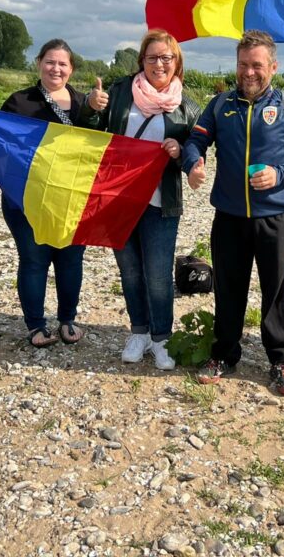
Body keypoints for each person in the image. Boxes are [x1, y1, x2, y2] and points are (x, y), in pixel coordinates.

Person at [182, 30, 284, 396]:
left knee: (276, 291)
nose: (248, 72)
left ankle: (281, 360)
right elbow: (195, 141)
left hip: (274, 218)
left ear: (273, 67)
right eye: (243, 64)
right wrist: (193, 162)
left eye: (257, 65)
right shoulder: (220, 105)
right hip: (229, 217)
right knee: (229, 288)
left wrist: (281, 174)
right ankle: (224, 354)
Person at [82, 29, 200, 370]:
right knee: (130, 271)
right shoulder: (120, 92)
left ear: (176, 62)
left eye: (166, 58)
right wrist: (91, 107)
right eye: (152, 57)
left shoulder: (187, 107)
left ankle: (162, 338)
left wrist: (181, 152)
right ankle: (139, 332)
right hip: (119, 199)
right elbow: (91, 131)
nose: (159, 64)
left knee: (159, 275)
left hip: (161, 203)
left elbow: (196, 150)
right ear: (142, 61)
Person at [0, 39, 90, 348]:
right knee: (34, 260)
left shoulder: (84, 105)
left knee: (70, 260)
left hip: (71, 199)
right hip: (26, 198)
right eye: (50, 62)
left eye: (63, 64)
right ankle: (35, 324)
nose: (56, 69)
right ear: (39, 63)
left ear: (71, 69)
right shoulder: (19, 102)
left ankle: (67, 319)